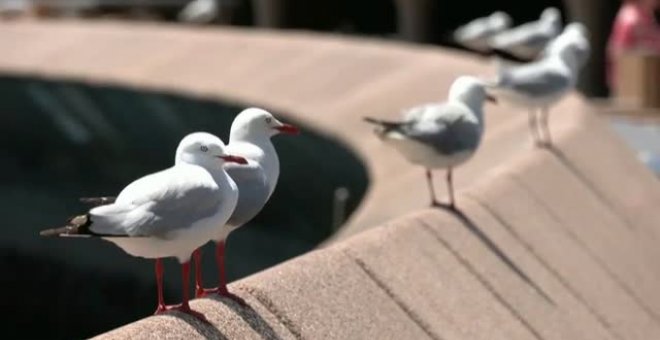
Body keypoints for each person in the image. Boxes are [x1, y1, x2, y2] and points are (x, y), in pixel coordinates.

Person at [606, 0, 660, 90]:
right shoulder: (629, 17)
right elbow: (618, 52)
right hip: (632, 84)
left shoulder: (648, 16)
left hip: (648, 82)